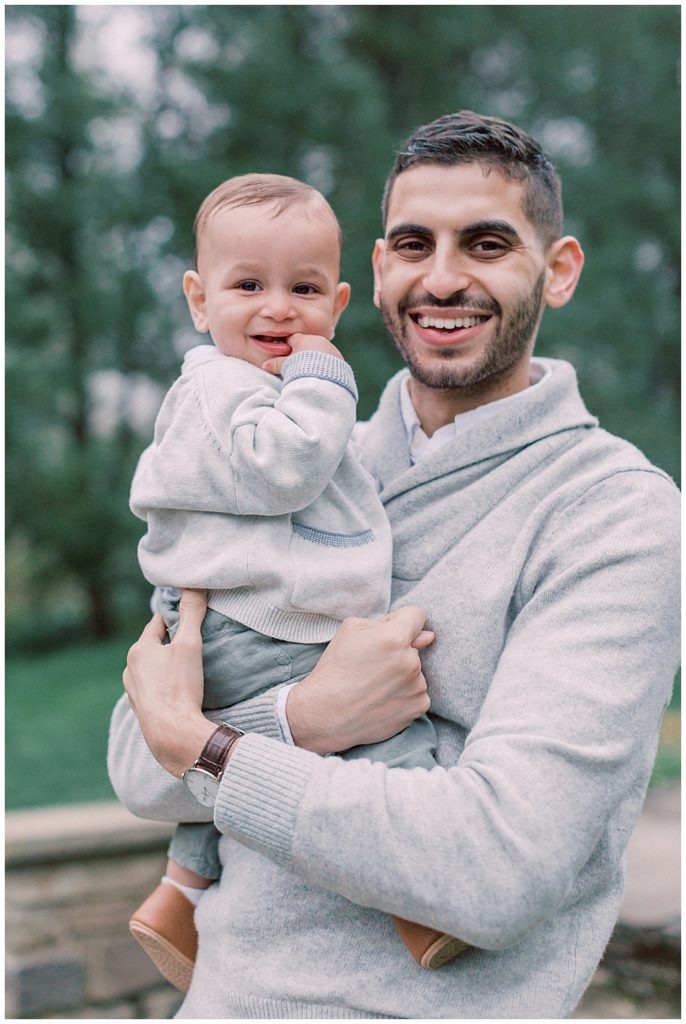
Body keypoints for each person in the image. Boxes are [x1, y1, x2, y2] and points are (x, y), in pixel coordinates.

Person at [110, 111, 680, 1019]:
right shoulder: (293, 463)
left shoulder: (616, 513)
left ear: (558, 270)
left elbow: (497, 868)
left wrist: (210, 746)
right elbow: (136, 760)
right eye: (415, 243)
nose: (443, 277)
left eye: (487, 243)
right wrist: (300, 716)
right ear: (377, 273)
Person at [125, 171, 464, 993]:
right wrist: (322, 380)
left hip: (227, 618)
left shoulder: (254, 390)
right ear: (199, 301)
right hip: (255, 624)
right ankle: (420, 895)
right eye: (249, 285)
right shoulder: (222, 388)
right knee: (387, 740)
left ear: (339, 301)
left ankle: (180, 892)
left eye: (304, 288)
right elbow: (284, 473)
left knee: (226, 772)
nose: (279, 308)